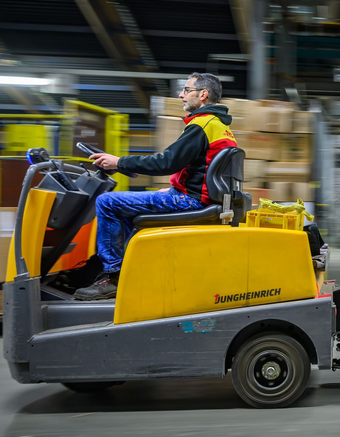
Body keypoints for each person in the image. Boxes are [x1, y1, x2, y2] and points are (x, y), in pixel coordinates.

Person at [74, 72, 236, 300]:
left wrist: (118, 162)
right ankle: (130, 268)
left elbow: (165, 162)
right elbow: (199, 167)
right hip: (194, 196)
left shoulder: (201, 125)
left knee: (106, 202)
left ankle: (113, 276)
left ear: (203, 94)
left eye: (186, 90)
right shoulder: (218, 125)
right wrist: (173, 188)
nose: (181, 95)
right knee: (127, 204)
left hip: (190, 200)